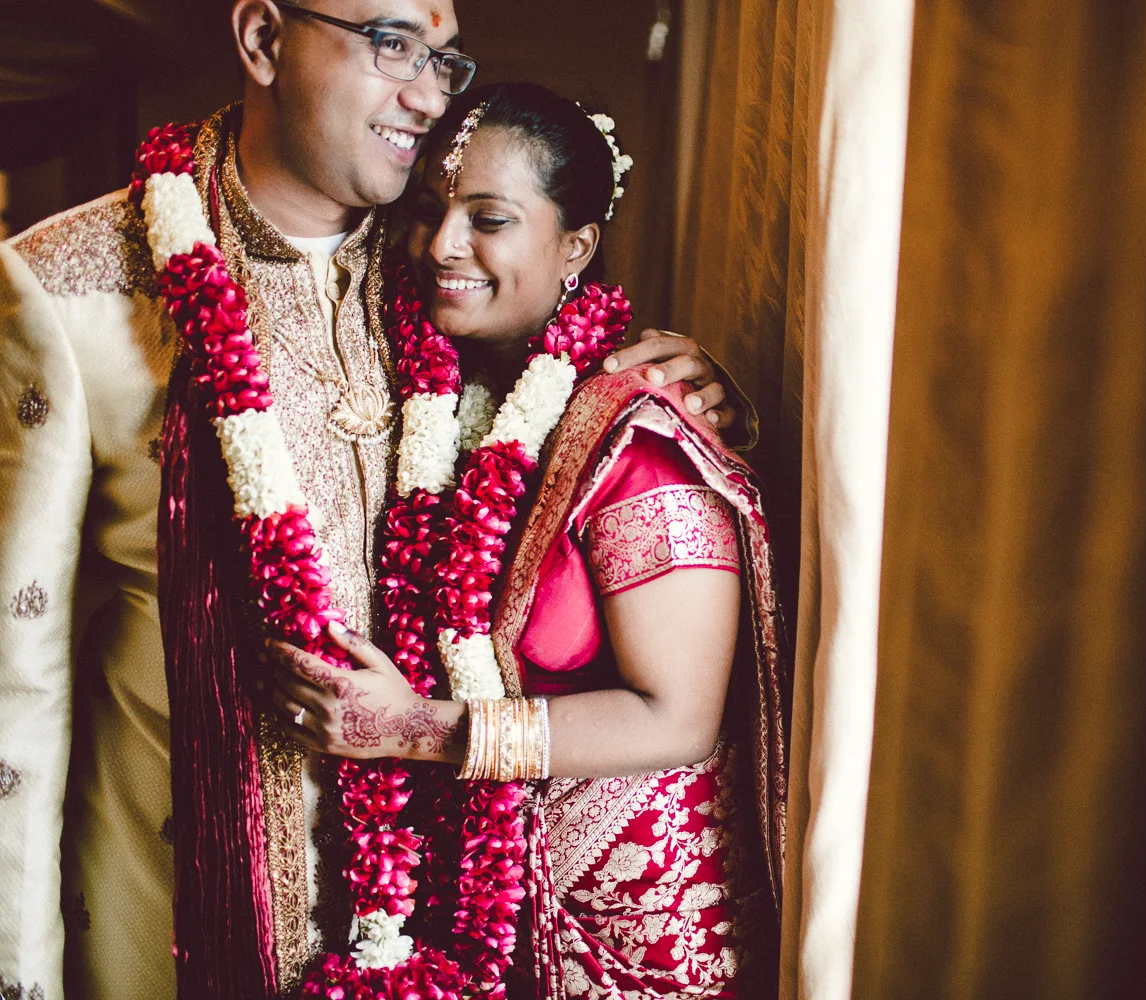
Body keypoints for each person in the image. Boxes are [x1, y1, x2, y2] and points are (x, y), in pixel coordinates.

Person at [0, 3, 742, 998]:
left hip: (443, 917)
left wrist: (686, 381)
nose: (431, 91)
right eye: (392, 43)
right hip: (169, 915)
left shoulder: (440, 268)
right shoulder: (70, 287)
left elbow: (575, 387)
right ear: (263, 38)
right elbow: (17, 680)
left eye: (443, 55)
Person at [263, 83, 787, 999]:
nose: (441, 246)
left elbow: (681, 717)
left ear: (575, 247)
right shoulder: (422, 393)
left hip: (632, 939)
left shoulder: (641, 436)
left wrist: (422, 730)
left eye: (489, 218)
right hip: (483, 907)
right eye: (428, 212)